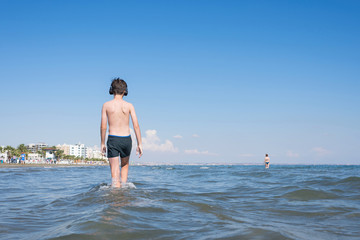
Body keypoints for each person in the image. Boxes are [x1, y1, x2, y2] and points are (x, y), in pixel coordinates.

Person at [100, 78, 143, 188]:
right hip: (126, 139)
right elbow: (136, 125)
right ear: (125, 91)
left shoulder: (106, 105)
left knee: (114, 171)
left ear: (112, 90)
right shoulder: (129, 105)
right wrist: (140, 144)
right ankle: (123, 193)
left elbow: (103, 126)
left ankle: (116, 197)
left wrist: (102, 143)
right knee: (124, 165)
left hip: (113, 139)